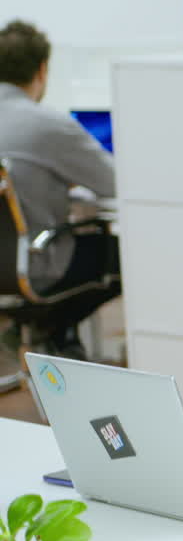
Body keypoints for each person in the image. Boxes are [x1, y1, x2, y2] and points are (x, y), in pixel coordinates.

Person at [0, 20, 118, 359]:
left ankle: (50, 333)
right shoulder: (49, 126)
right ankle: (53, 328)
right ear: (41, 70)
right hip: (34, 266)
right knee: (122, 257)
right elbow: (114, 184)